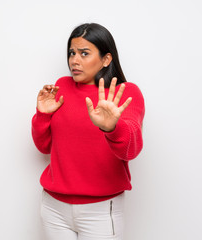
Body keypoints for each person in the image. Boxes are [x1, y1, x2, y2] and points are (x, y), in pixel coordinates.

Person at [31, 23, 145, 240]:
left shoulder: (125, 92)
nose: (74, 60)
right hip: (54, 208)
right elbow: (43, 147)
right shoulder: (61, 87)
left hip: (101, 211)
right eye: (72, 53)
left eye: (84, 53)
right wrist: (43, 115)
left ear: (106, 59)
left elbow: (131, 150)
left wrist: (111, 126)